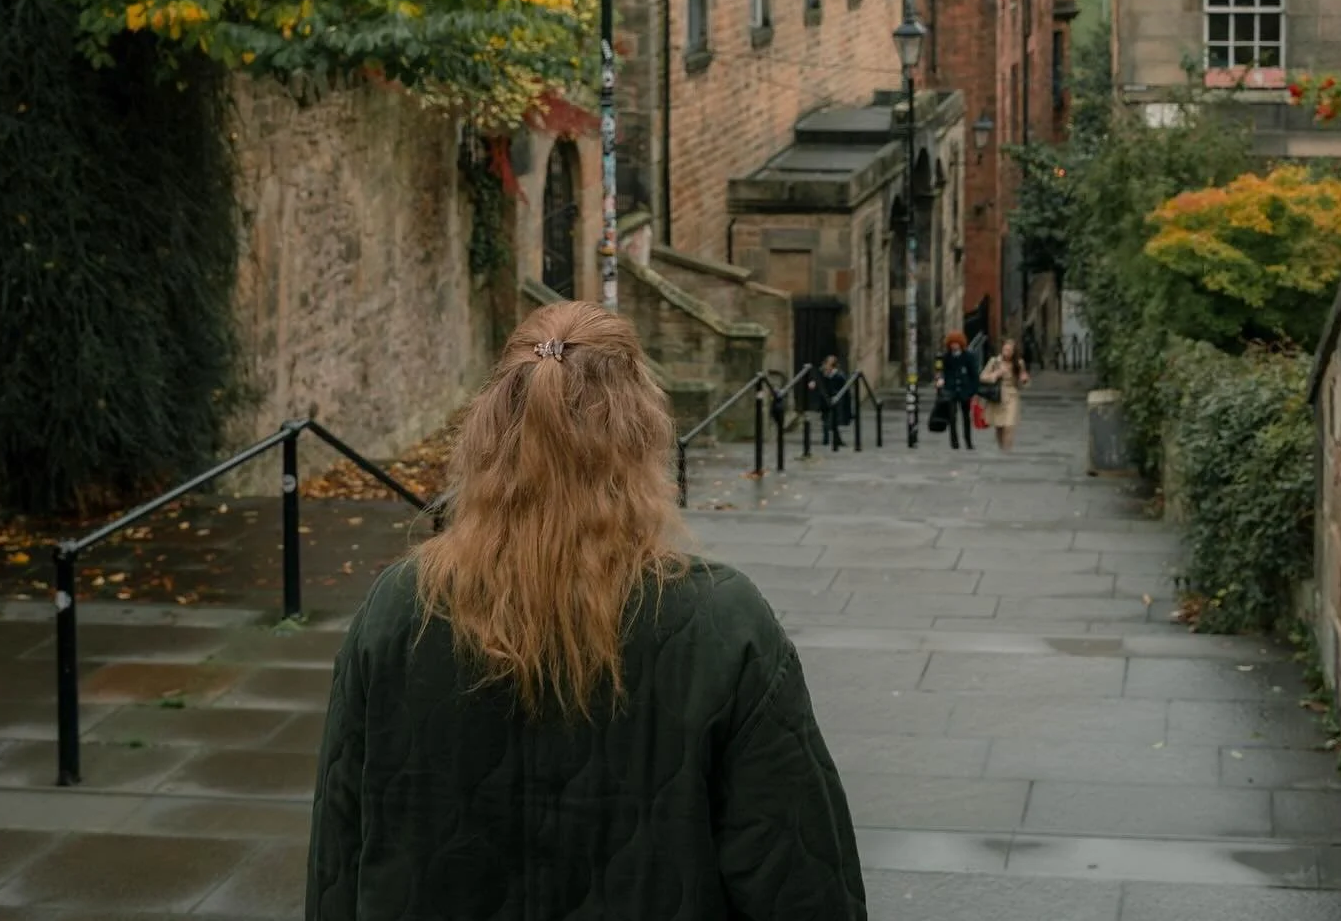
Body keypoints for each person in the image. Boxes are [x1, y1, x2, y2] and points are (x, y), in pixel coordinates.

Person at [306, 301, 866, 921]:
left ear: (487, 434)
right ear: (643, 437)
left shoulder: (398, 610)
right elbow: (802, 879)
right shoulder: (723, 625)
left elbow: (338, 857)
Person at [930, 329, 979, 450]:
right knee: (952, 417)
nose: (954, 346)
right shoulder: (946, 357)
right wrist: (941, 380)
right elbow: (942, 372)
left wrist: (973, 390)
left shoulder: (968, 356)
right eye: (952, 343)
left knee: (966, 417)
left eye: (956, 343)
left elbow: (974, 374)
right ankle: (954, 442)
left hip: (964, 390)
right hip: (950, 390)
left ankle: (968, 441)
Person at [980, 337, 1030, 451]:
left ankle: (1007, 450)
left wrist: (1024, 380)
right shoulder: (994, 361)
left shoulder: (1019, 363)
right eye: (1004, 350)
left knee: (1009, 425)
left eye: (1009, 350)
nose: (1006, 352)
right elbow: (982, 377)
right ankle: (1001, 448)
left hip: (1012, 396)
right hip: (997, 396)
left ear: (1014, 352)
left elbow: (1022, 382)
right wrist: (995, 374)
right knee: (999, 426)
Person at [818, 353, 852, 446]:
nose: (824, 365)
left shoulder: (839, 376)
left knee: (832, 420)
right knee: (827, 420)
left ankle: (832, 440)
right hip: (826, 401)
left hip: (835, 401)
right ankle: (828, 439)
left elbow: (843, 390)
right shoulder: (823, 375)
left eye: (827, 364)